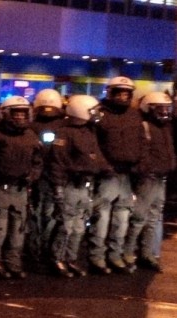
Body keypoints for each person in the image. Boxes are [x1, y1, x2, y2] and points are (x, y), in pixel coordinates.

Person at [48, 95, 111, 278]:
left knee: (79, 227)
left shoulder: (89, 131)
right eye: (93, 111)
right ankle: (57, 259)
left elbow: (96, 157)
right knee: (65, 226)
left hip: (84, 186)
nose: (97, 114)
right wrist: (58, 188)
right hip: (70, 185)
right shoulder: (65, 133)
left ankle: (70, 258)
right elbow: (56, 163)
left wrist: (106, 169)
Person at [0, 95, 43, 279]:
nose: (19, 117)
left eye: (23, 113)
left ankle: (13, 262)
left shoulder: (31, 135)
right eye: (15, 113)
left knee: (18, 228)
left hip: (21, 189)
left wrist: (32, 176)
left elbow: (37, 161)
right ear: (6, 114)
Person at [89, 76, 144, 274]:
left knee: (122, 219)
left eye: (126, 93)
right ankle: (97, 256)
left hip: (127, 174)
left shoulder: (134, 115)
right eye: (118, 92)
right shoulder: (100, 114)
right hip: (108, 174)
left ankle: (115, 254)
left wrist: (139, 164)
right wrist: (103, 166)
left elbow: (141, 141)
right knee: (101, 219)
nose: (122, 96)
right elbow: (92, 144)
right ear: (110, 93)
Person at [124, 92, 175, 272]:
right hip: (149, 178)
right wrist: (147, 170)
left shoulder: (164, 127)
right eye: (160, 109)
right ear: (149, 108)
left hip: (161, 177)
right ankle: (128, 253)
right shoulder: (145, 126)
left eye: (167, 109)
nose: (165, 113)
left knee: (153, 218)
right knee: (139, 218)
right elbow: (142, 153)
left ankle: (147, 253)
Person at [28, 89, 67, 262]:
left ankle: (35, 248)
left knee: (36, 214)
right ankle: (48, 249)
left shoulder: (30, 126)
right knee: (52, 214)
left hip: (38, 176)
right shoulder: (65, 126)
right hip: (57, 177)